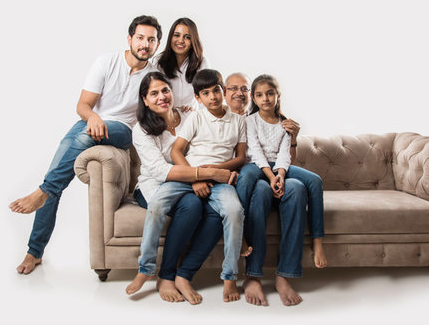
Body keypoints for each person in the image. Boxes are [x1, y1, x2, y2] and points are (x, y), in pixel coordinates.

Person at [9, 15, 162, 275]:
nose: (145, 44)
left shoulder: (154, 75)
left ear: (157, 44)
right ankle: (34, 252)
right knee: (65, 154)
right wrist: (92, 117)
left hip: (122, 132)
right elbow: (82, 105)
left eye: (151, 39)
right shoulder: (106, 62)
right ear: (129, 39)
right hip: (90, 124)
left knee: (75, 146)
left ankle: (43, 192)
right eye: (140, 38)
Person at [125, 72, 236, 304]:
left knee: (216, 213)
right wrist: (201, 176)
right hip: (156, 186)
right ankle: (163, 276)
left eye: (165, 90)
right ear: (144, 100)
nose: (161, 97)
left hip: (193, 182)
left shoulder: (189, 117)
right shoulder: (142, 129)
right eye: (153, 93)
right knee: (192, 206)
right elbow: (160, 171)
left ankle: (184, 273)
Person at [240, 74, 326, 306]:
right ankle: (252, 271)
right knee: (256, 187)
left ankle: (286, 273)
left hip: (278, 169)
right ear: (253, 98)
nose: (265, 98)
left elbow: (284, 155)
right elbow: (255, 152)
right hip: (257, 168)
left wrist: (280, 175)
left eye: (270, 93)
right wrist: (270, 177)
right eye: (259, 95)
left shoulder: (286, 123)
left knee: (306, 184)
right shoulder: (250, 121)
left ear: (278, 96)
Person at [169, 69, 250, 302]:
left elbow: (241, 157)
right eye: (206, 93)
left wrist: (216, 170)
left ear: (223, 91)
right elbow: (176, 151)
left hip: (220, 181)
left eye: (216, 90)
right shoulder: (195, 117)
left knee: (234, 211)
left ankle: (230, 276)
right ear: (198, 98)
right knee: (158, 201)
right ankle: (156, 272)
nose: (213, 97)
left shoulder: (238, 120)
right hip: (192, 178)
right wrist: (196, 177)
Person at [153, 18, 210, 112]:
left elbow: (207, 97)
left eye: (187, 37)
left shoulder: (202, 63)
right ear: (170, 37)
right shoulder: (158, 61)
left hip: (191, 116)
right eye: (176, 35)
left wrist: (195, 111)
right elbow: (154, 94)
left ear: (192, 42)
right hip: (166, 115)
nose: (181, 40)